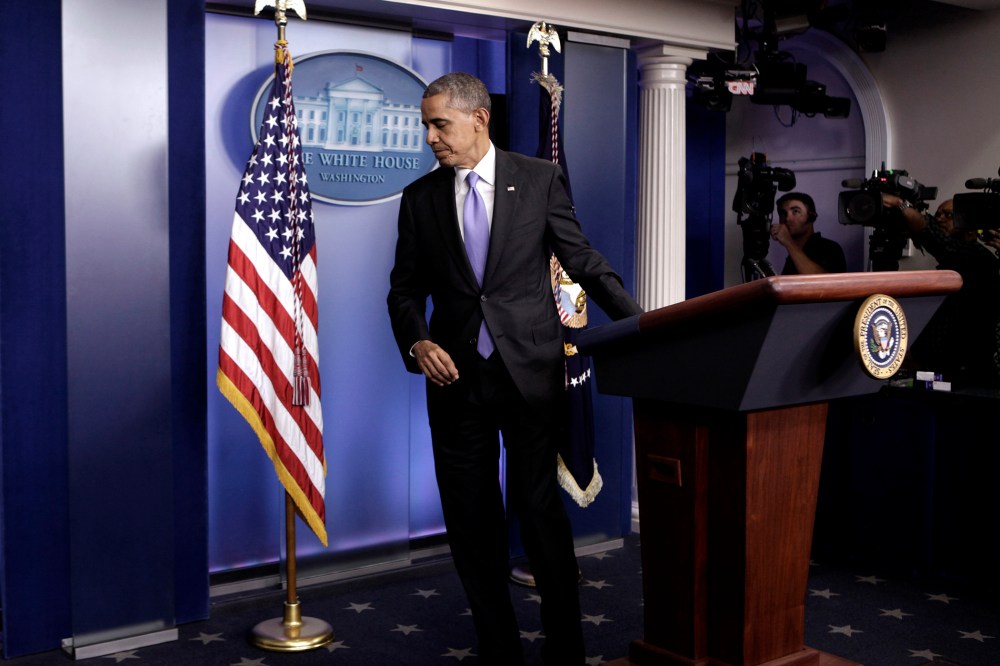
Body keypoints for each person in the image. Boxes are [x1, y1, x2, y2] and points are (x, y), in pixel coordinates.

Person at [386, 72, 643, 665]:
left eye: (439, 124)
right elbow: (403, 292)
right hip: (455, 384)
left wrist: (641, 327)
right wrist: (419, 343)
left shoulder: (538, 179)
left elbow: (583, 261)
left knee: (539, 514)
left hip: (529, 375)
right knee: (470, 525)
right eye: (426, 124)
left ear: (478, 119)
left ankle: (565, 650)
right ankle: (498, 649)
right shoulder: (419, 199)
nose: (429, 137)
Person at [881, 194, 1000, 384]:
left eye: (948, 215)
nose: (940, 219)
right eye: (937, 215)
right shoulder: (949, 265)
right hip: (936, 368)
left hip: (968, 374)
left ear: (970, 230)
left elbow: (935, 239)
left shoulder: (977, 257)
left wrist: (900, 204)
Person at [770, 191, 847, 274]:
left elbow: (822, 282)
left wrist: (788, 242)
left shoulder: (830, 248)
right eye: (783, 213)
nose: (787, 218)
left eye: (795, 211)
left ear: (811, 217)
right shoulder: (792, 255)